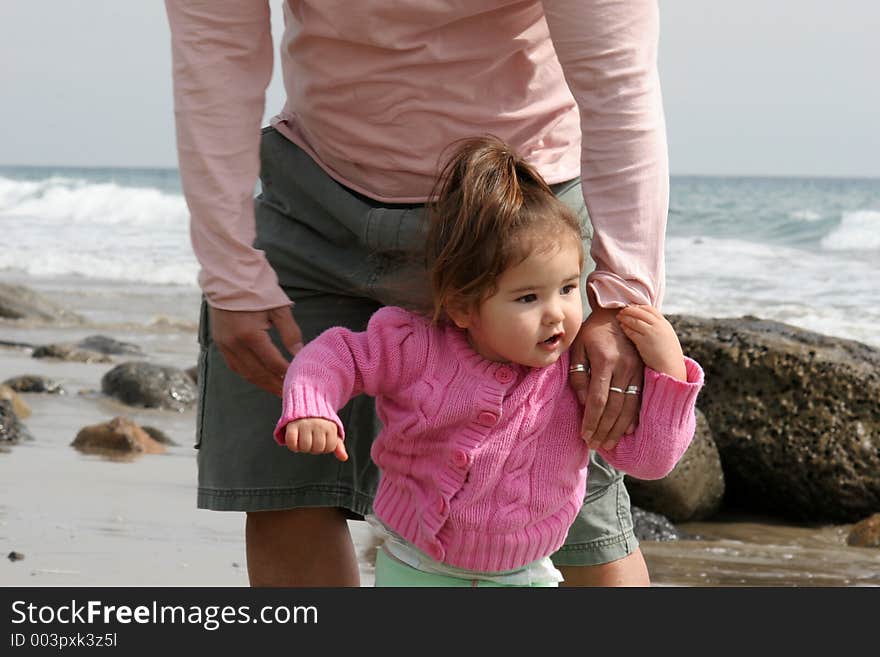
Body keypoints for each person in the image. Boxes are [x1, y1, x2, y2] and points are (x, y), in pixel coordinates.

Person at [165, 0, 672, 586]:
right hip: (317, 192)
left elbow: (619, 81)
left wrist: (622, 298)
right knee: (288, 489)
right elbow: (214, 59)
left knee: (583, 524)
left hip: (520, 216)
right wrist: (232, 274)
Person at [274, 137, 703, 587]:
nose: (556, 312)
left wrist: (670, 374)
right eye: (527, 297)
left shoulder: (576, 376)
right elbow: (335, 355)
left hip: (526, 577)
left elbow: (649, 461)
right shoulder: (415, 345)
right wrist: (311, 405)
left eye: (568, 289)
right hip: (414, 569)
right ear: (463, 307)